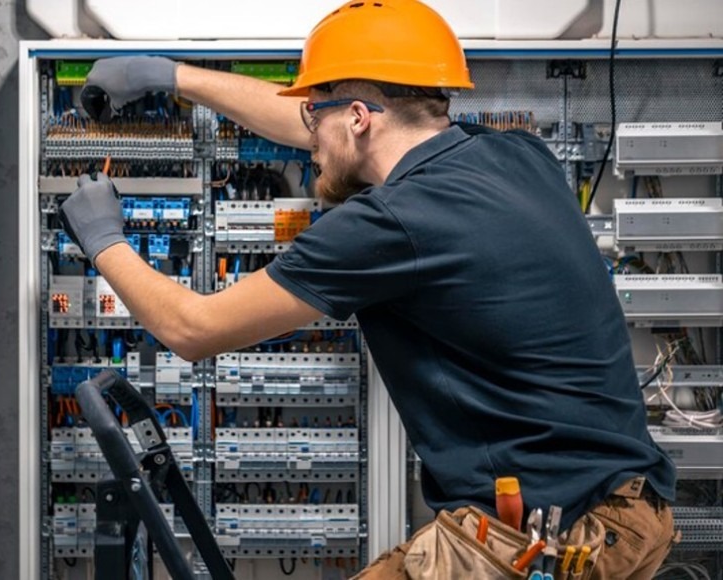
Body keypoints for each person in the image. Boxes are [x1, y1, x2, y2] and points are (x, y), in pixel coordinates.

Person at [59, 0, 678, 577]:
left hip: (563, 536)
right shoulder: (515, 154)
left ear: (357, 118)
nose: (307, 137)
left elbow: (193, 330)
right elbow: (323, 124)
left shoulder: (390, 222)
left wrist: (104, 237)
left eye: (315, 112)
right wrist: (171, 76)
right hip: (631, 509)